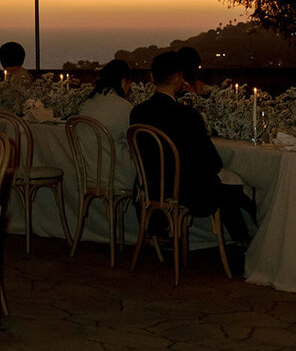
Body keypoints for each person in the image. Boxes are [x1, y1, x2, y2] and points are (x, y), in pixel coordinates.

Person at [130, 51, 250, 243]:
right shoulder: (186, 115)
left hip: (151, 187)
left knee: (231, 191)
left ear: (152, 78)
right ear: (178, 77)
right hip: (184, 192)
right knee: (235, 190)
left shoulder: (138, 112)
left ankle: (243, 240)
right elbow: (212, 162)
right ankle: (245, 241)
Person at [79, 58, 135, 190]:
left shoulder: (88, 104)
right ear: (123, 81)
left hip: (87, 175)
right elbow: (133, 143)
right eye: (129, 83)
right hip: (114, 176)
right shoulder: (123, 107)